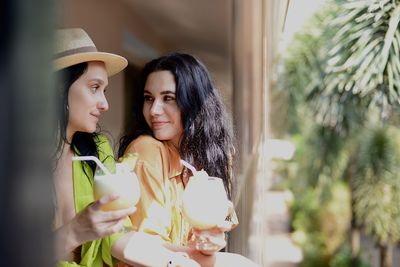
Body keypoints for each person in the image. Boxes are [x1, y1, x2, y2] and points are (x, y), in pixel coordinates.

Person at [52, 28, 199, 267]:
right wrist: (75, 231)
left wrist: (175, 260)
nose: (105, 104)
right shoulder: (13, 161)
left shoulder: (97, 150)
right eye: (94, 87)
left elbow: (117, 236)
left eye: (105, 90)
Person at [118, 53, 259, 266]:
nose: (154, 110)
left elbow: (225, 216)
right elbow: (147, 249)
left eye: (168, 98)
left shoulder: (210, 155)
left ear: (193, 101)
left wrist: (213, 238)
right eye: (149, 98)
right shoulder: (147, 150)